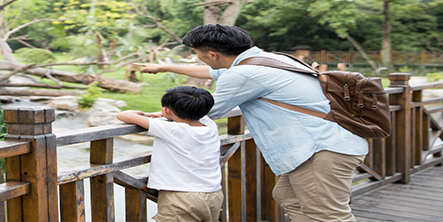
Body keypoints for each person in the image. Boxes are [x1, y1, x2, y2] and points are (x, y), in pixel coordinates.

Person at [134, 24, 368, 222]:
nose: (198, 57)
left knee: (329, 215)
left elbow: (201, 111)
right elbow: (211, 72)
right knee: (288, 197)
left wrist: (160, 114)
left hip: (321, 149)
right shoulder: (267, 59)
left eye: (197, 52)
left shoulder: (243, 74)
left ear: (213, 54)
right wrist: (163, 67)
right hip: (331, 142)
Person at [116, 86, 223, 222]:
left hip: (181, 197)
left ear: (166, 110)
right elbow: (203, 115)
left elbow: (123, 115)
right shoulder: (210, 125)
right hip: (213, 194)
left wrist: (148, 115)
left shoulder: (172, 129)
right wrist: (168, 113)